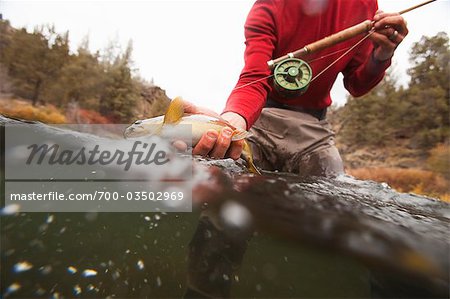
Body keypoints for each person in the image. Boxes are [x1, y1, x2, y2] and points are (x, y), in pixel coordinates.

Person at [185, 0, 408, 176]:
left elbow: (357, 85)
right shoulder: (268, 5)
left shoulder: (365, 5)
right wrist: (228, 125)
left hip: (314, 130)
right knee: (220, 189)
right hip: (259, 120)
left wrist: (382, 55)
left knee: (332, 202)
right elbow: (254, 78)